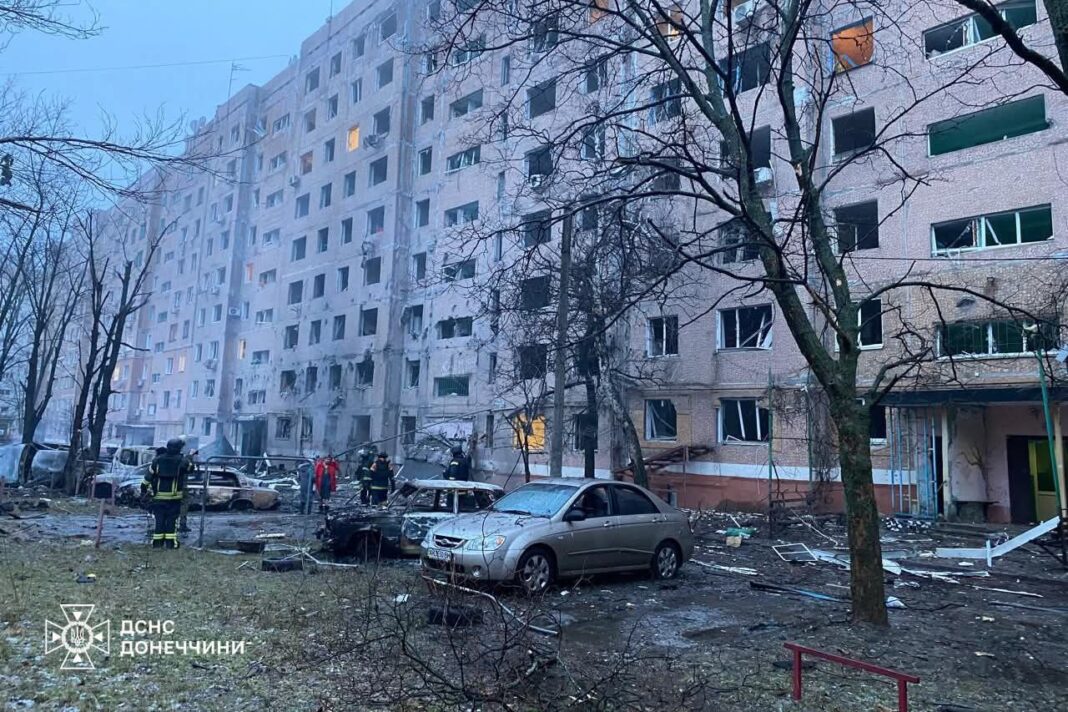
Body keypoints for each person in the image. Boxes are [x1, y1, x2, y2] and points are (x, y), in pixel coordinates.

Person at [141, 438, 193, 549]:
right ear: (179, 448)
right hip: (174, 498)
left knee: (159, 521)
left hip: (159, 497)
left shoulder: (157, 460)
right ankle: (171, 544)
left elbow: (148, 478)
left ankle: (157, 543)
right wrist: (189, 457)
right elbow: (191, 468)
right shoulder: (182, 460)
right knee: (172, 521)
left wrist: (143, 490)